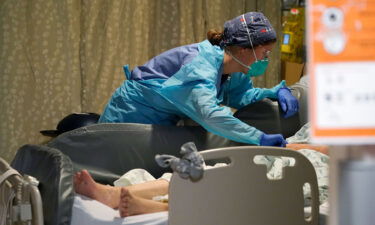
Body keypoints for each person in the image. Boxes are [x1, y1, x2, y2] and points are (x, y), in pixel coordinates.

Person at [99, 12, 299, 147]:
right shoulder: (200, 67)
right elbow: (210, 115)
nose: (266, 60)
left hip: (160, 126)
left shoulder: (233, 68)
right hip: (128, 120)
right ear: (244, 48)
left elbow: (241, 96)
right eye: (264, 53)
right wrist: (259, 138)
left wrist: (276, 91)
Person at [74, 142, 327, 217]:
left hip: (310, 171)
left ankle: (163, 207)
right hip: (273, 160)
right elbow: (291, 143)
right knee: (197, 173)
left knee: (252, 196)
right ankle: (111, 193)